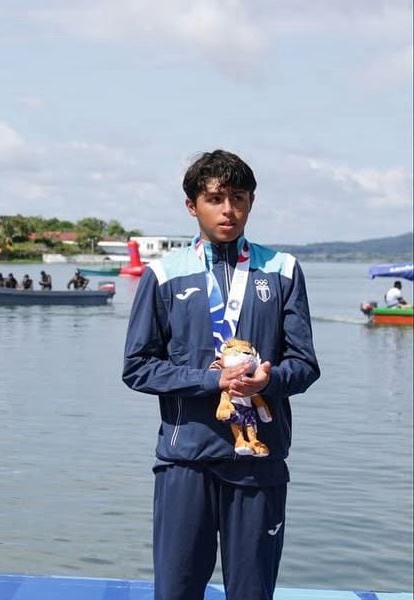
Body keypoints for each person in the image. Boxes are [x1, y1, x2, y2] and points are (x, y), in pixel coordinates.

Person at [122, 149, 319, 600]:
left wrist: (267, 382)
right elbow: (137, 367)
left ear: (251, 202)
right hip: (184, 458)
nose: (228, 209)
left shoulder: (282, 270)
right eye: (215, 198)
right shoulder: (163, 274)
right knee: (176, 591)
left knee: (252, 593)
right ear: (192, 205)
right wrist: (214, 381)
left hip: (260, 462)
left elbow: (305, 364)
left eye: (238, 197)